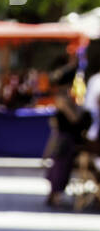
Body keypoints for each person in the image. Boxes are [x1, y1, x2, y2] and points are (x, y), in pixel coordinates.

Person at [46, 62, 90, 207]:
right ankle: (55, 194)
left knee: (60, 166)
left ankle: (55, 194)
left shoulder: (67, 96)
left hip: (66, 136)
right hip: (65, 137)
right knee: (61, 166)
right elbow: (73, 119)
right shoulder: (63, 98)